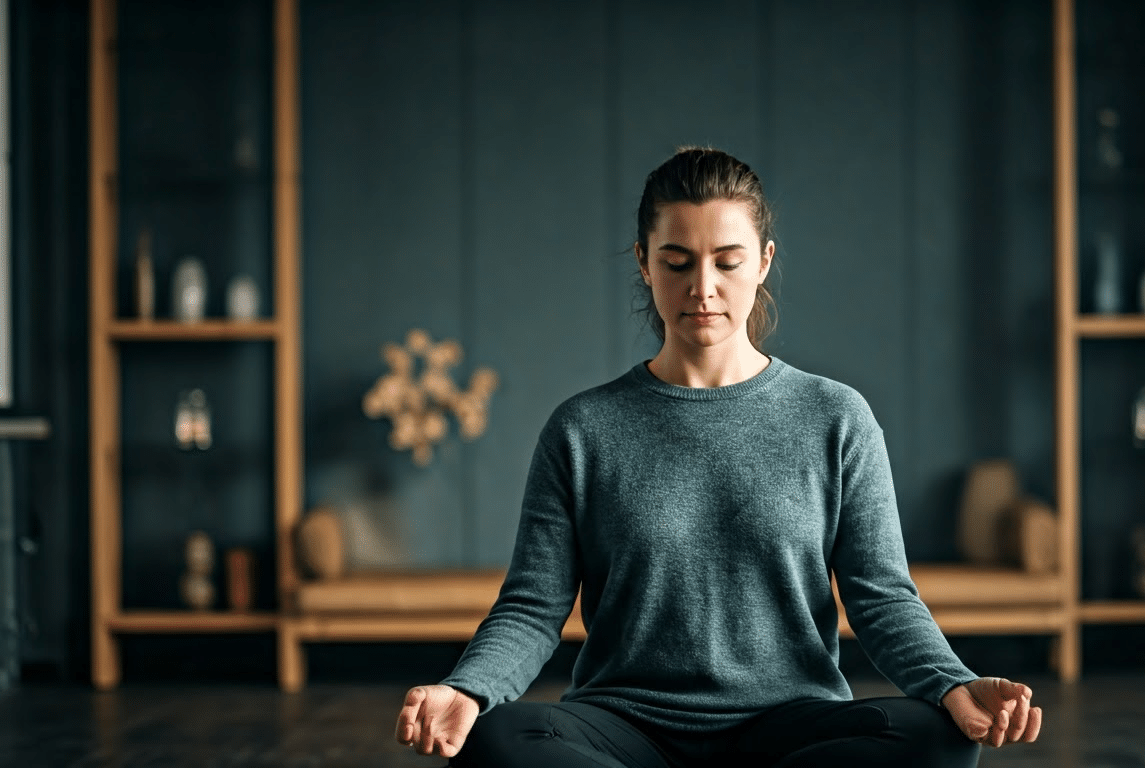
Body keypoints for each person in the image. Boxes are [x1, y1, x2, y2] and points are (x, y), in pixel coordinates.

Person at [395, 147, 1041, 767]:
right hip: (624, 725)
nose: (702, 288)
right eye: (676, 263)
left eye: (727, 262)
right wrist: (468, 689)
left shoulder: (837, 418)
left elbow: (883, 599)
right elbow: (532, 607)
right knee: (492, 736)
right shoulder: (581, 430)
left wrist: (953, 683)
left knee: (939, 737)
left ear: (762, 262)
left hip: (792, 725)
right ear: (644, 263)